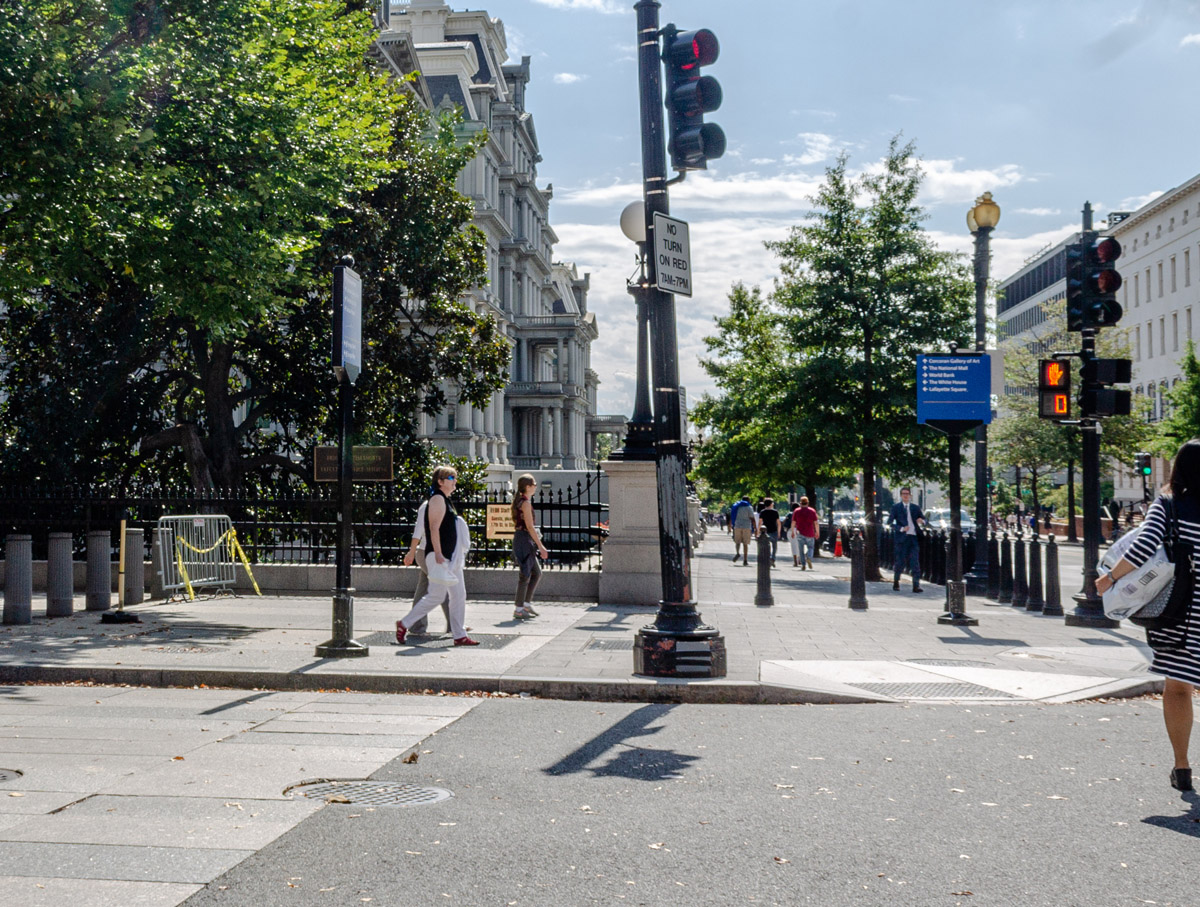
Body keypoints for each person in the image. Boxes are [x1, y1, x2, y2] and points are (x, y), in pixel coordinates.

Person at [1097, 439, 1200, 793]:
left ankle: (1182, 766)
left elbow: (1142, 546)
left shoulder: (1169, 504)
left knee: (1178, 687)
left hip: (1183, 615)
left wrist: (1109, 578)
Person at [395, 466, 479, 647]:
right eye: (450, 477)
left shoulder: (446, 501)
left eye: (455, 477)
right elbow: (433, 528)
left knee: (457, 595)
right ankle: (405, 624)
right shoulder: (437, 500)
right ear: (440, 482)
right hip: (441, 557)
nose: (454, 480)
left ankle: (459, 634)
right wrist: (439, 553)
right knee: (436, 596)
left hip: (450, 556)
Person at [401, 497, 452, 635]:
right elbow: (418, 531)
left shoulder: (445, 504)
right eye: (451, 480)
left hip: (435, 553)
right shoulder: (427, 506)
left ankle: (416, 626)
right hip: (426, 554)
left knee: (423, 589)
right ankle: (454, 625)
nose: (454, 484)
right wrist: (411, 553)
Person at [511, 473, 549, 620]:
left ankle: (525, 604)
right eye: (534, 484)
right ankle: (519, 609)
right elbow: (530, 527)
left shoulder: (521, 501)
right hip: (524, 539)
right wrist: (541, 546)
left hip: (523, 539)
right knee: (525, 574)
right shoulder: (525, 503)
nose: (535, 487)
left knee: (536, 573)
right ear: (527, 487)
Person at [888, 487, 925, 593]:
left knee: (915, 562)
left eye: (907, 494)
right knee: (900, 561)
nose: (905, 495)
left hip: (913, 538)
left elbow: (923, 519)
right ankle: (896, 582)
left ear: (910, 495)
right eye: (903, 494)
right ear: (900, 495)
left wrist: (922, 521)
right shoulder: (896, 507)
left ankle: (916, 585)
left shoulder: (915, 508)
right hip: (902, 539)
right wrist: (901, 528)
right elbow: (890, 523)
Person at [790, 497, 819, 570]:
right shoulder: (812, 511)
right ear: (808, 503)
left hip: (800, 533)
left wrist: (793, 531)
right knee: (811, 547)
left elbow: (793, 522)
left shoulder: (796, 511)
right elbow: (816, 523)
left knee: (801, 550)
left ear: (800, 503)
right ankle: (809, 557)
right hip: (810, 532)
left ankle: (803, 565)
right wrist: (817, 532)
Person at [730, 495, 756, 565]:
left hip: (737, 525)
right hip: (746, 526)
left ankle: (738, 553)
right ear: (748, 500)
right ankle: (745, 560)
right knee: (745, 544)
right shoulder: (749, 507)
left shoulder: (737, 506)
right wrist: (755, 527)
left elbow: (732, 516)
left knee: (737, 542)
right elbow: (752, 518)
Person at [758, 497, 781, 567]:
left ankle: (769, 557)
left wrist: (758, 532)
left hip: (765, 532)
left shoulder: (762, 512)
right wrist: (779, 532)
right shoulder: (775, 512)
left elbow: (760, 523)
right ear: (771, 504)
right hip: (774, 531)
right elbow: (778, 523)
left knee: (767, 546)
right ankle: (773, 558)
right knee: (774, 546)